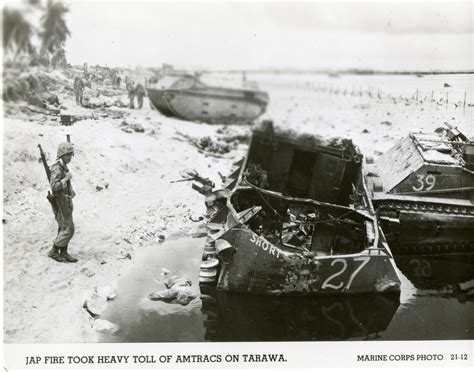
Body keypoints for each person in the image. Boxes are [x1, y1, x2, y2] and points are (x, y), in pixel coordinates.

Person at [47, 142, 78, 263]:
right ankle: (54, 251)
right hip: (60, 202)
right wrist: (66, 178)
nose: (70, 157)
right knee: (69, 229)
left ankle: (63, 252)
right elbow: (54, 186)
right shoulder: (57, 168)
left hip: (65, 200)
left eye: (71, 154)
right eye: (67, 155)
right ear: (61, 155)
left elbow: (63, 184)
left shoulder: (64, 166)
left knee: (63, 227)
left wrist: (71, 190)